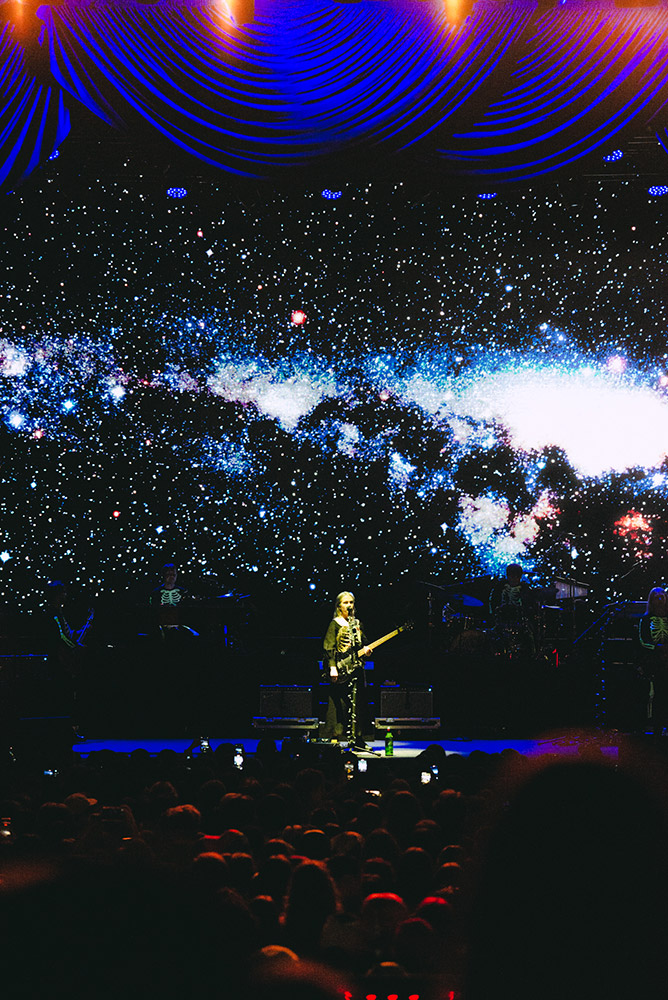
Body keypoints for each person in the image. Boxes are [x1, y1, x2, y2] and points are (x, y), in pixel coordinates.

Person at [322, 592, 371, 750]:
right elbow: (328, 647)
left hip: (356, 669)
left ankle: (358, 739)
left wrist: (366, 650)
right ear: (339, 606)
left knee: (358, 704)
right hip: (341, 670)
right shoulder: (335, 624)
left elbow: (363, 643)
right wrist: (332, 667)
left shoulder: (357, 624)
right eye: (345, 602)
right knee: (339, 705)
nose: (349, 605)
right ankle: (336, 737)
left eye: (351, 602)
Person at [488, 564, 538, 658]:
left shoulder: (525, 589)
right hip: (501, 620)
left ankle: (531, 655)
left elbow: (529, 606)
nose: (513, 579)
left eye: (516, 577)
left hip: (519, 620)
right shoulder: (499, 587)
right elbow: (493, 603)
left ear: (519, 577)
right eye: (511, 576)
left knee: (529, 635)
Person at [638, 586, 668, 734]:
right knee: (656, 694)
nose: (660, 599)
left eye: (663, 596)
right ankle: (655, 725)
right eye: (657, 597)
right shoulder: (645, 620)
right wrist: (657, 648)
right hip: (654, 662)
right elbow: (642, 640)